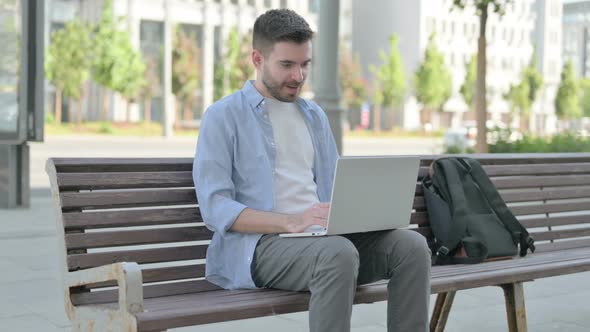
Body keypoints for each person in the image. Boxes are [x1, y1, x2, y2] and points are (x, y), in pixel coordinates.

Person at [193, 9, 431, 332]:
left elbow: (334, 188)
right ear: (257, 59)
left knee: (411, 248)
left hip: (324, 240)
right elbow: (215, 208)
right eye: (287, 65)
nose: (298, 76)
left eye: (305, 64)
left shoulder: (314, 116)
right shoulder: (223, 117)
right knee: (337, 254)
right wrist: (291, 222)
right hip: (261, 247)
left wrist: (365, 212)